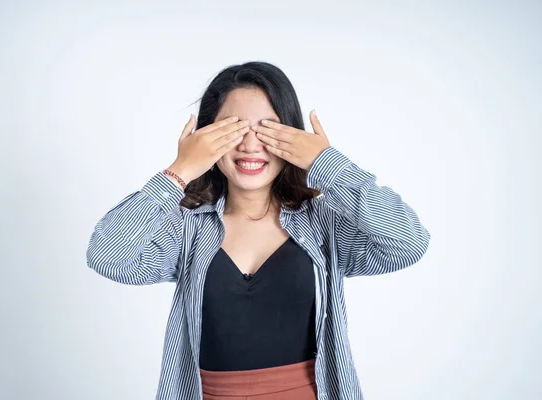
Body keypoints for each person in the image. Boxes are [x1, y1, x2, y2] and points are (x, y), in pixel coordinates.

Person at [86, 61, 431, 400]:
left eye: (268, 129)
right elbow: (108, 257)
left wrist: (326, 164)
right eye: (233, 129)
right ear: (206, 137)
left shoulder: (324, 224)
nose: (250, 145)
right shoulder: (186, 228)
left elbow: (406, 242)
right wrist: (179, 171)